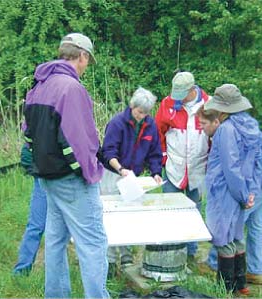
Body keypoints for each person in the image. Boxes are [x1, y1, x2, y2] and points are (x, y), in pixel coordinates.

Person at [23, 33, 109, 298]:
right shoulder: (72, 89)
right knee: (93, 243)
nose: (85, 67)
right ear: (81, 55)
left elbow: (27, 133)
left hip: (47, 178)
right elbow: (79, 140)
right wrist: (92, 173)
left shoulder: (39, 85)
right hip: (71, 181)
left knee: (56, 241)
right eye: (87, 61)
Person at [198, 92, 262, 286]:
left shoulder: (228, 129)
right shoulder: (247, 121)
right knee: (255, 224)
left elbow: (232, 167)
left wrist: (245, 195)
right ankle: (256, 270)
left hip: (258, 179)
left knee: (230, 224)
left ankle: (217, 267)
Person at [100, 87, 163, 277]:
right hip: (113, 173)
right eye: (139, 112)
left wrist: (156, 172)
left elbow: (154, 153)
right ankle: (109, 260)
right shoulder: (117, 123)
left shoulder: (150, 125)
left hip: (133, 177)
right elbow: (108, 152)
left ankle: (126, 254)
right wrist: (120, 169)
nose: (141, 116)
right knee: (111, 217)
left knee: (128, 215)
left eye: (145, 113)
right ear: (132, 106)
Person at [155, 71, 210, 260]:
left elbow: (213, 137)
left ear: (192, 90)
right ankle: (170, 250)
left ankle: (190, 253)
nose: (177, 98)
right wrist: (162, 157)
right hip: (173, 167)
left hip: (198, 168)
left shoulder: (208, 105)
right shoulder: (167, 104)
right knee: (170, 209)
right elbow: (158, 133)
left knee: (193, 210)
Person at [12, 144, 47, 276]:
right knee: (35, 226)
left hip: (67, 183)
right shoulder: (36, 124)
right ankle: (21, 271)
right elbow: (26, 155)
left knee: (60, 230)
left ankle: (55, 272)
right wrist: (38, 172)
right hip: (43, 182)